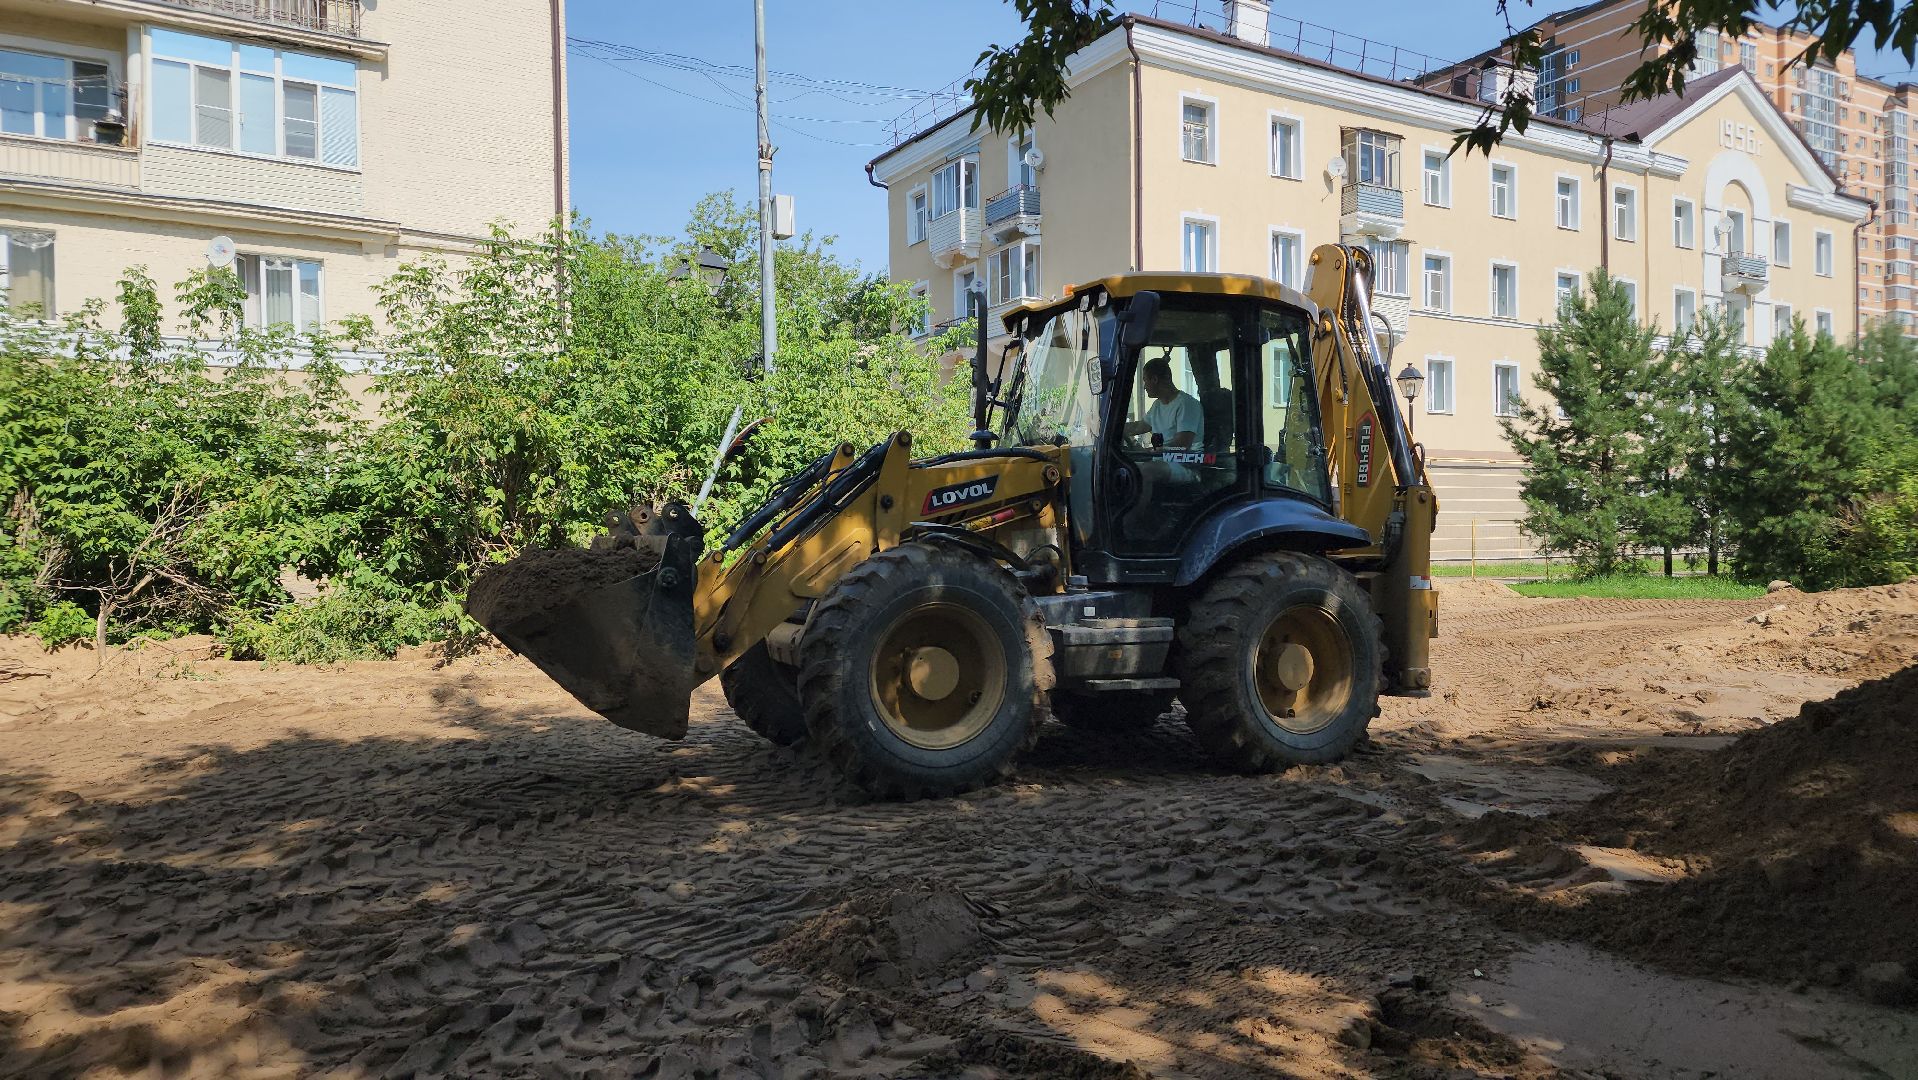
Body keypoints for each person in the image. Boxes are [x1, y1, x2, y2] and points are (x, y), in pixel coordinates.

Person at [1125, 356, 1204, 450]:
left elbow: (1182, 444)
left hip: (1183, 459)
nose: (1144, 387)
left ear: (1155, 379)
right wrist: (1117, 428)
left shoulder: (1187, 404)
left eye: (1145, 380)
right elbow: (1139, 427)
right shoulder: (1157, 406)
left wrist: (1149, 451)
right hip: (1161, 457)